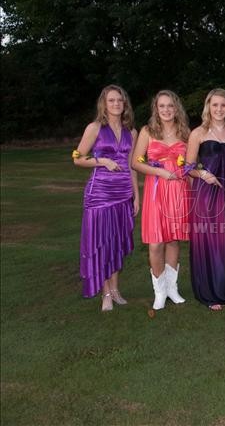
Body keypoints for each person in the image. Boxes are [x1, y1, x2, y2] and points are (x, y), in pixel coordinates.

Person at [73, 85, 139, 312]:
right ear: (104, 103)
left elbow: (132, 167)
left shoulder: (131, 132)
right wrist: (101, 161)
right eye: (111, 100)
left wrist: (136, 196)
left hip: (123, 194)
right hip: (99, 194)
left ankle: (116, 290)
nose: (116, 104)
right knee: (101, 244)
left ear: (125, 103)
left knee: (116, 243)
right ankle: (106, 293)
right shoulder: (94, 128)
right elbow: (77, 158)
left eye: (120, 100)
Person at [132, 90, 190, 310]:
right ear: (156, 109)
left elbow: (191, 163)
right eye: (162, 106)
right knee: (156, 243)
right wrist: (160, 172)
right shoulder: (147, 131)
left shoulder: (185, 132)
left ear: (176, 108)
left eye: (170, 105)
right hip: (156, 190)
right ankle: (159, 291)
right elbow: (136, 163)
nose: (166, 110)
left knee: (173, 239)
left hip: (178, 190)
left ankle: (172, 288)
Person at [186, 88, 225, 311]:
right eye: (215, 105)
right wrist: (202, 174)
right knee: (210, 240)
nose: (219, 109)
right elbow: (188, 167)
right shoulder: (198, 133)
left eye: (223, 105)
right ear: (208, 107)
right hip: (207, 193)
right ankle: (210, 292)